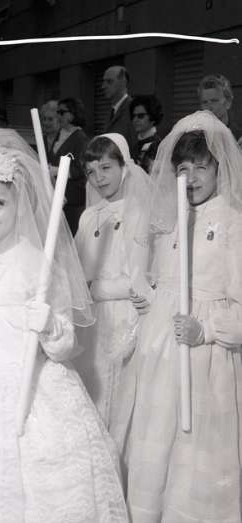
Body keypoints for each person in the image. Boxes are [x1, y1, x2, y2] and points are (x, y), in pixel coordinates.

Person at [0, 140, 129, 523]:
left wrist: (49, 324)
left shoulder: (37, 263)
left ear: (18, 205)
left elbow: (65, 344)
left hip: (27, 383)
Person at [112, 111, 242, 522]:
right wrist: (149, 302)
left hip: (204, 358)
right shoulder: (171, 221)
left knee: (194, 447)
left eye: (201, 167)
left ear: (219, 169)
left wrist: (208, 330)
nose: (192, 177)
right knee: (156, 438)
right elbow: (162, 281)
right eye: (183, 168)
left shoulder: (232, 224)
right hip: (161, 355)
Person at [75, 133, 153, 427]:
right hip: (94, 321)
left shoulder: (140, 214)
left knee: (120, 397)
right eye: (91, 172)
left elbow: (139, 280)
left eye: (106, 168)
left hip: (125, 317)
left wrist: (93, 288)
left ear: (124, 167)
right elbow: (77, 268)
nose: (98, 178)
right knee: (93, 392)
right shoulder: (88, 216)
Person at [48, 97, 89, 235]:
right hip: (56, 197)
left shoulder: (80, 138)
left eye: (61, 112)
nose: (58, 116)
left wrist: (57, 171)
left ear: (72, 114)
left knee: (70, 236)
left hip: (72, 199)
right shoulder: (60, 134)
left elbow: (82, 168)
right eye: (57, 112)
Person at [198, 73, 242, 141]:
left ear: (228, 103)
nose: (209, 107)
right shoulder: (196, 138)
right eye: (205, 102)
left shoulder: (239, 137)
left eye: (214, 101)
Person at [102, 66, 136, 148]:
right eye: (104, 82)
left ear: (123, 82)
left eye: (109, 81)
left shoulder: (133, 109)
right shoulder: (112, 111)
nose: (103, 86)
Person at [129, 94, 163, 173]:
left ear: (152, 116)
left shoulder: (158, 146)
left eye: (140, 116)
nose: (135, 120)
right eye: (133, 116)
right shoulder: (135, 145)